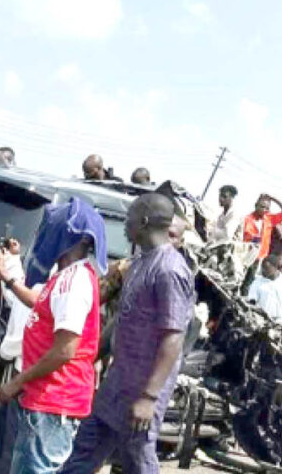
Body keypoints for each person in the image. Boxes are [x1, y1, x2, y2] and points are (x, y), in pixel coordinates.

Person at [62, 193, 195, 474]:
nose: (125, 223)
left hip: (142, 390)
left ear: (144, 221)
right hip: (117, 383)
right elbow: (123, 319)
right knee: (84, 450)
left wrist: (149, 397)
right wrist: (88, 356)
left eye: (129, 217)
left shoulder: (170, 270)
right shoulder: (138, 263)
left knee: (137, 459)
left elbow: (173, 337)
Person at [0, 197, 107, 474]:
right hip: (46, 400)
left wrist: (16, 382)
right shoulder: (65, 276)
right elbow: (37, 300)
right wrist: (7, 277)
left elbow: (65, 350)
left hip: (54, 402)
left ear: (69, 236)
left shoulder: (73, 281)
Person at [0, 238, 30, 474]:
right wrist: (11, 260)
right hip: (15, 369)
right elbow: (16, 295)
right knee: (6, 441)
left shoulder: (52, 280)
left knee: (15, 447)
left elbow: (27, 298)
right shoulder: (36, 275)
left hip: (28, 375)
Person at [242, 194, 282, 260]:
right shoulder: (246, 219)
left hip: (263, 257)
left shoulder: (269, 219)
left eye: (267, 208)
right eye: (262, 207)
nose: (264, 210)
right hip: (247, 256)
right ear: (256, 205)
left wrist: (273, 198)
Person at [247, 254, 282, 322]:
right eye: (262, 267)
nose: (263, 271)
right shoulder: (257, 282)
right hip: (262, 321)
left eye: (266, 268)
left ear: (275, 268)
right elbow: (252, 301)